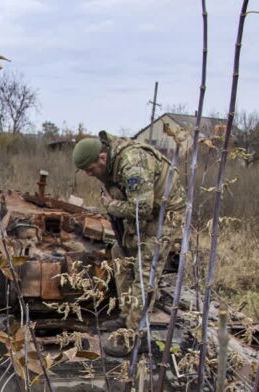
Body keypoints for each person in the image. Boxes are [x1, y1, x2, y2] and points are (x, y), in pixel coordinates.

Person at [73, 131, 185, 356]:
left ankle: (135, 334)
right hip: (145, 213)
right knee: (120, 254)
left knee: (145, 270)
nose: (89, 175)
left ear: (102, 158)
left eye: (91, 170)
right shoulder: (112, 163)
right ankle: (126, 316)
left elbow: (142, 208)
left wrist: (111, 205)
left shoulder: (132, 163)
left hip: (165, 215)